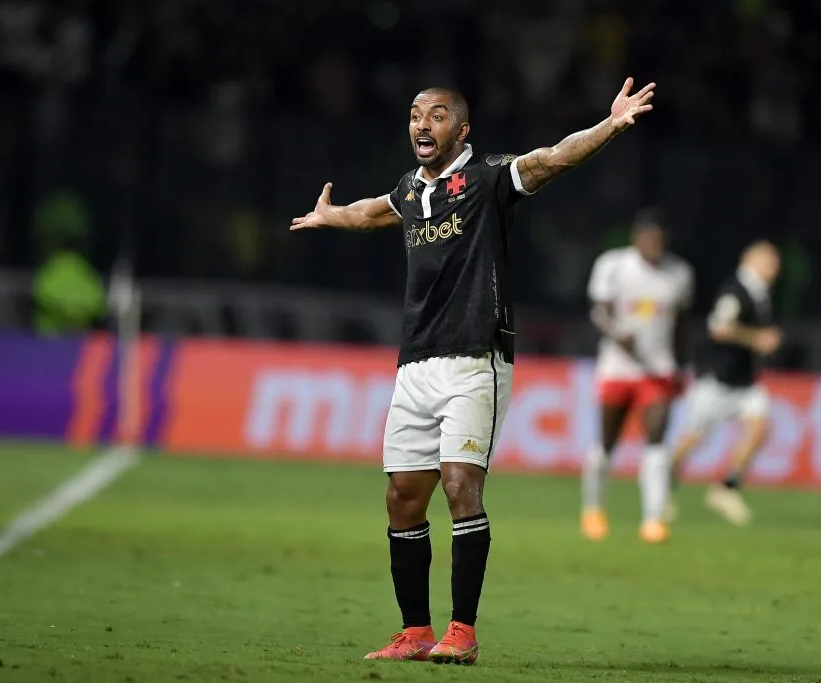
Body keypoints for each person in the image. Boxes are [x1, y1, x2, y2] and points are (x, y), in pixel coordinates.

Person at [291, 78, 656, 665]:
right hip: (415, 361)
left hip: (474, 357)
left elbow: (553, 159)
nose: (421, 125)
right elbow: (372, 213)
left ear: (461, 130)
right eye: (414, 115)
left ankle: (462, 631)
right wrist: (331, 216)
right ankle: (414, 631)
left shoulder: (488, 178)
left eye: (435, 116)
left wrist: (609, 126)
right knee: (402, 495)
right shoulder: (411, 189)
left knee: (461, 484)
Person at [581, 211, 693, 544]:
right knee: (606, 443)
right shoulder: (613, 266)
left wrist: (682, 366)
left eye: (657, 238)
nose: (652, 244)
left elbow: (682, 325)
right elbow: (598, 311)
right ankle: (593, 509)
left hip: (657, 370)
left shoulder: (679, 274)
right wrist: (618, 333)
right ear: (636, 238)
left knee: (656, 439)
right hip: (617, 367)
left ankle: (653, 520)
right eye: (647, 237)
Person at [668, 241, 782, 525]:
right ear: (749, 260)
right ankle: (663, 483)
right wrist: (756, 339)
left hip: (745, 381)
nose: (774, 268)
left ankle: (726, 488)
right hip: (718, 379)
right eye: (768, 261)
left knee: (759, 428)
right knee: (695, 437)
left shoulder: (759, 293)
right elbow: (719, 327)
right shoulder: (736, 290)